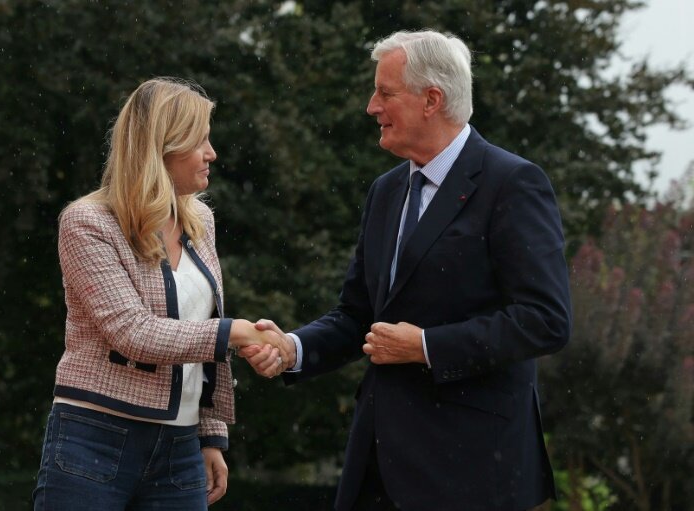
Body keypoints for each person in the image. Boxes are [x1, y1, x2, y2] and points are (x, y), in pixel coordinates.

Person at [241, 30, 572, 511]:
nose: (371, 107)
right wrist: (293, 347)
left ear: (432, 99)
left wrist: (425, 347)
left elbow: (546, 320)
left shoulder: (512, 184)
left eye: (385, 92)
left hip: (472, 470)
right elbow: (359, 315)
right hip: (377, 465)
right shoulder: (386, 191)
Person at [33, 77, 290, 511]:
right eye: (200, 141)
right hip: (94, 434)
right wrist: (236, 334)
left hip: (181, 446)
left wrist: (210, 436)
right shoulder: (87, 222)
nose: (213, 153)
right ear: (161, 147)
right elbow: (132, 332)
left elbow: (202, 332)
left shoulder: (200, 221)